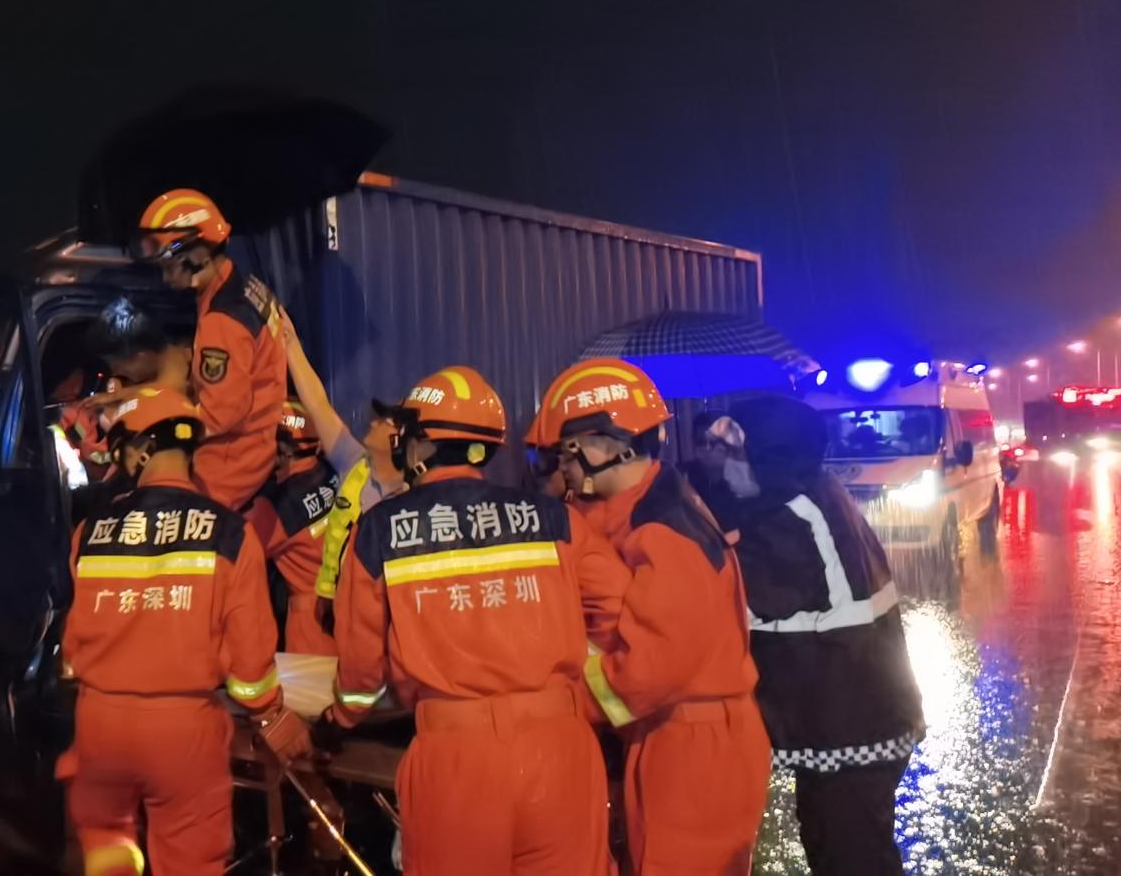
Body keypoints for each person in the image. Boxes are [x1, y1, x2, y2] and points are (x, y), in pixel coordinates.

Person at [324, 365, 623, 876]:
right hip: (562, 750)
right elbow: (620, 611)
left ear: (419, 446)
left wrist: (339, 721)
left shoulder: (378, 532)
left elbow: (360, 672)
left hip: (456, 759)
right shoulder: (554, 518)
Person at [529, 358, 771, 876]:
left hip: (693, 744)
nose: (560, 472)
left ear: (604, 446)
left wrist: (562, 705)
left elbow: (652, 668)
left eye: (563, 455)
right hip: (679, 733)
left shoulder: (664, 533)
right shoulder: (646, 506)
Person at [59, 387, 311, 876]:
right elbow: (250, 658)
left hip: (99, 724)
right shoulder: (230, 533)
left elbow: (78, 630)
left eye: (124, 450)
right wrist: (271, 716)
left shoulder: (89, 531)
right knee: (191, 861)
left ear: (142, 450)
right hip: (182, 732)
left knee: (109, 852)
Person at [709, 396, 924, 876]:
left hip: (848, 725)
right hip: (856, 720)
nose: (726, 465)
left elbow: (738, 608)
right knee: (846, 848)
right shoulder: (813, 492)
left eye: (735, 454)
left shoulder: (794, 518)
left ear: (772, 456)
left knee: (851, 858)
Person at [134, 189, 287, 511]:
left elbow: (219, 416)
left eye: (167, 262)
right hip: (255, 447)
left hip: (226, 469)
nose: (163, 275)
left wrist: (155, 421)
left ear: (195, 252)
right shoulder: (243, 286)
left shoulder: (222, 319)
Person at [275, 309, 406, 624]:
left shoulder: (412, 493)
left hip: (384, 617)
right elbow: (318, 405)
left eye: (383, 420)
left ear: (400, 440)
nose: (372, 422)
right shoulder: (355, 464)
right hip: (339, 614)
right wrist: (291, 345)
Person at [246, 400, 341, 655]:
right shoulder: (329, 471)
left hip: (312, 623)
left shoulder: (276, 506)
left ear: (280, 450)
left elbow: (234, 548)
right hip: (345, 607)